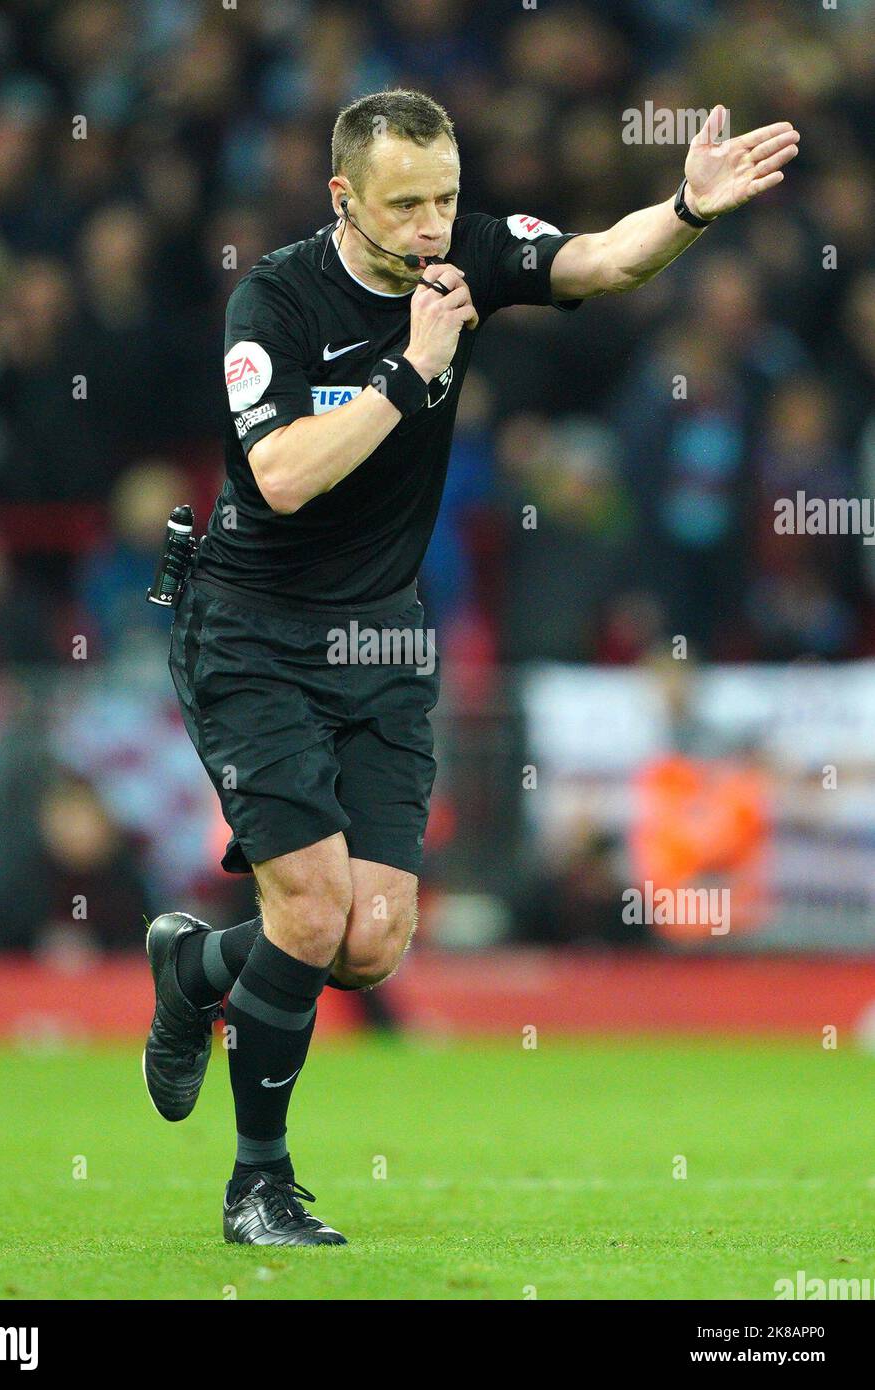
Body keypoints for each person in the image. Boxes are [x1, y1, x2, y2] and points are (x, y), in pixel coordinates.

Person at [145, 88, 799, 1246]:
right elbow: (285, 475)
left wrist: (688, 209)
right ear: (344, 196)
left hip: (384, 634)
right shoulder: (277, 301)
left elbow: (598, 261)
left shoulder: (467, 256)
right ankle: (259, 1186)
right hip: (253, 626)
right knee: (308, 907)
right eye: (405, 206)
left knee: (373, 938)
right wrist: (412, 367)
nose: (434, 226)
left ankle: (195, 968)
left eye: (446, 198)